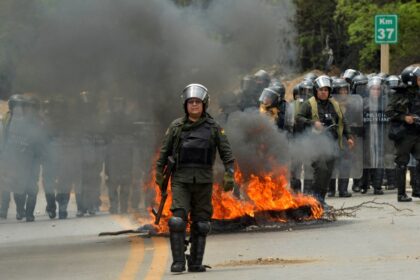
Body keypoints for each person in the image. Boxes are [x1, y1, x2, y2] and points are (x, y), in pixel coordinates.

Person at [156, 84, 235, 273]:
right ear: (185, 105)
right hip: (181, 180)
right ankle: (178, 262)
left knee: (202, 223)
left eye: (197, 102)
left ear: (204, 104)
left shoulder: (214, 128)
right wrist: (159, 174)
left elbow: (227, 155)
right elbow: (163, 153)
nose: (194, 105)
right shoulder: (176, 127)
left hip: (204, 181)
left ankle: (195, 262)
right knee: (177, 221)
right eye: (190, 102)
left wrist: (229, 174)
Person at [296, 75, 354, 208]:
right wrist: (312, 123)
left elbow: (343, 121)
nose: (324, 92)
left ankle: (321, 198)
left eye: (326, 90)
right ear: (316, 90)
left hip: (331, 144)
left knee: (328, 172)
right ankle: (315, 198)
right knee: (321, 169)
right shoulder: (308, 104)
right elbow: (298, 118)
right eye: (321, 90)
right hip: (315, 144)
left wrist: (349, 136)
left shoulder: (334, 104)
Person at [385, 65, 420, 202]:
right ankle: (401, 194)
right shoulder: (399, 94)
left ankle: (417, 189)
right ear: (411, 79)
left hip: (418, 132)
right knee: (401, 163)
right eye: (418, 78)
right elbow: (389, 112)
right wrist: (404, 117)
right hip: (404, 133)